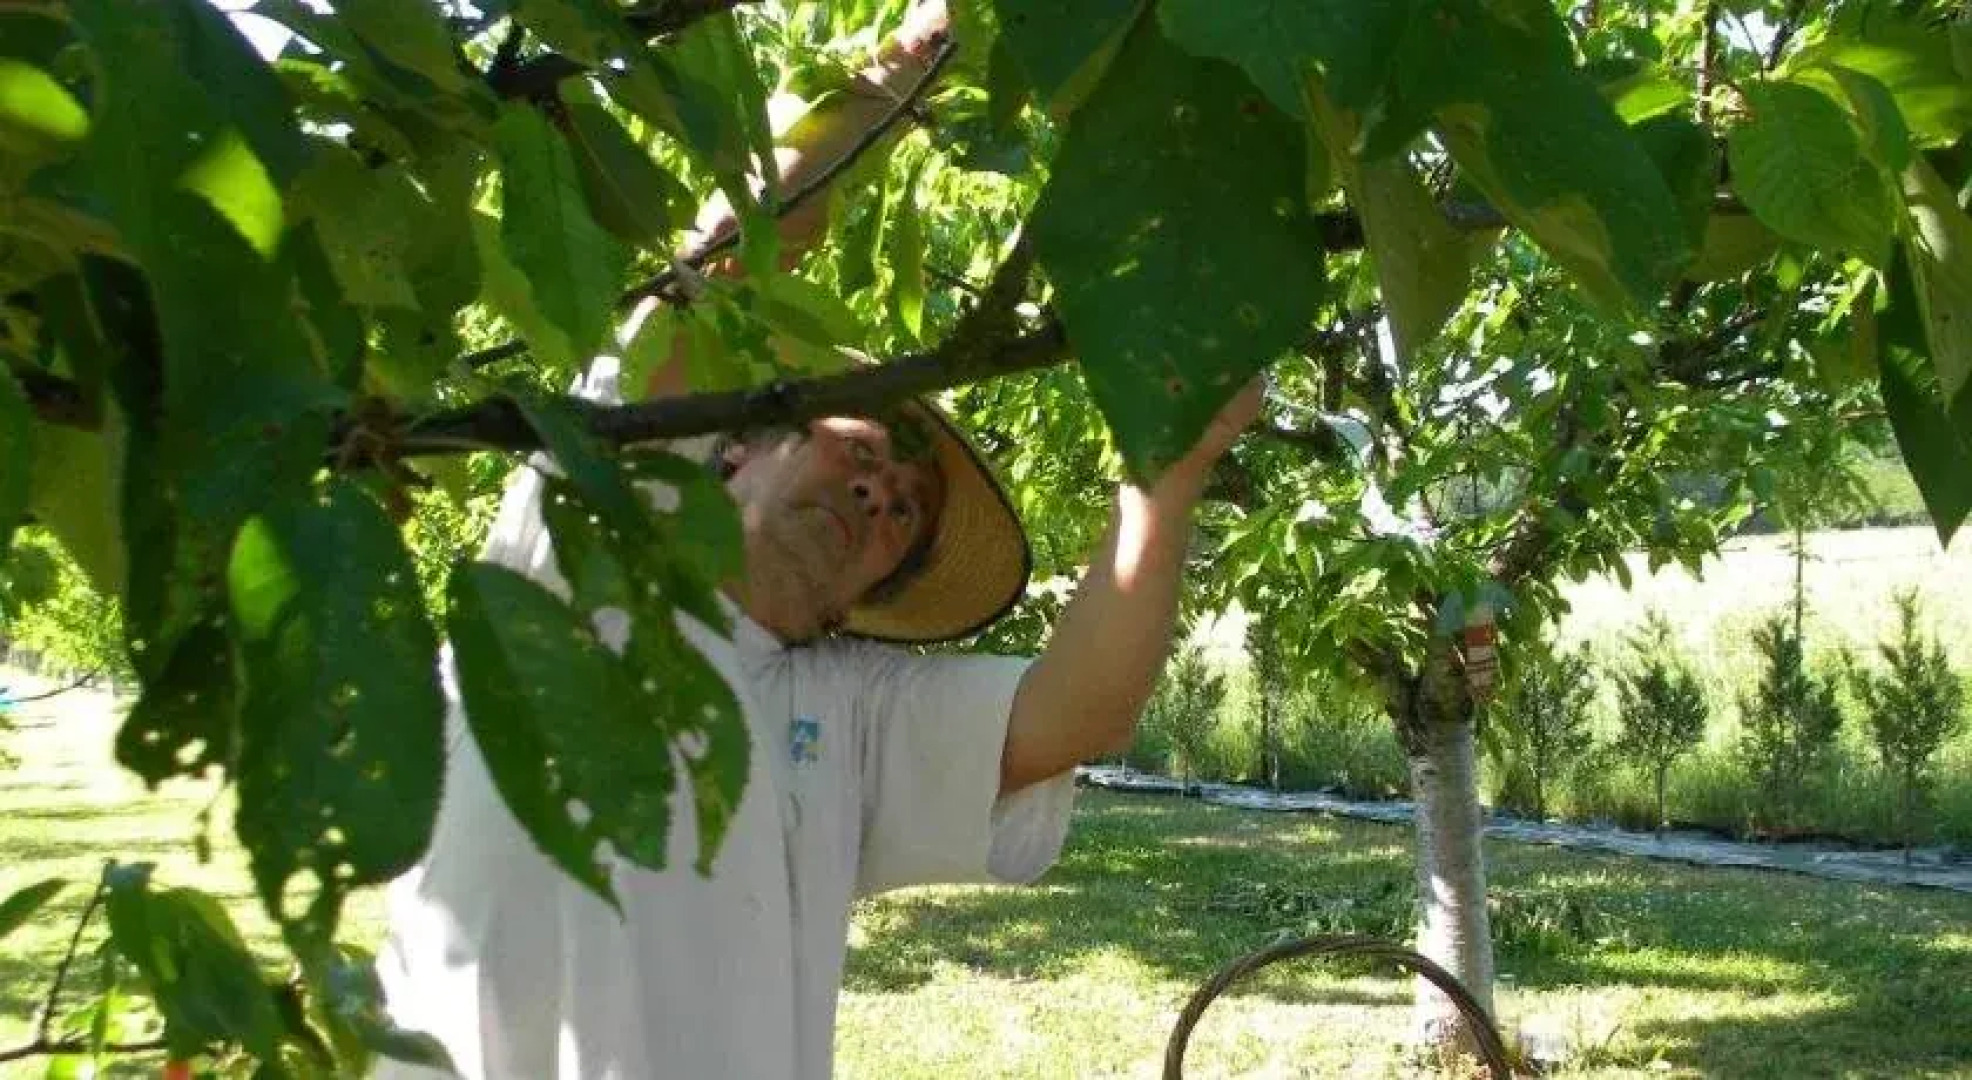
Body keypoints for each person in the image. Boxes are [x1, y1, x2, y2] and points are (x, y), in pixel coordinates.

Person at [372, 4, 1262, 1076]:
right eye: (866, 448)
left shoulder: (848, 712)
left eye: (905, 518)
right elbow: (717, 278)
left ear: (866, 599)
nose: (882, 493)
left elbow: (1077, 712)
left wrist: (1168, 468)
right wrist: (906, 65)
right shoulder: (593, 523)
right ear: (741, 449)